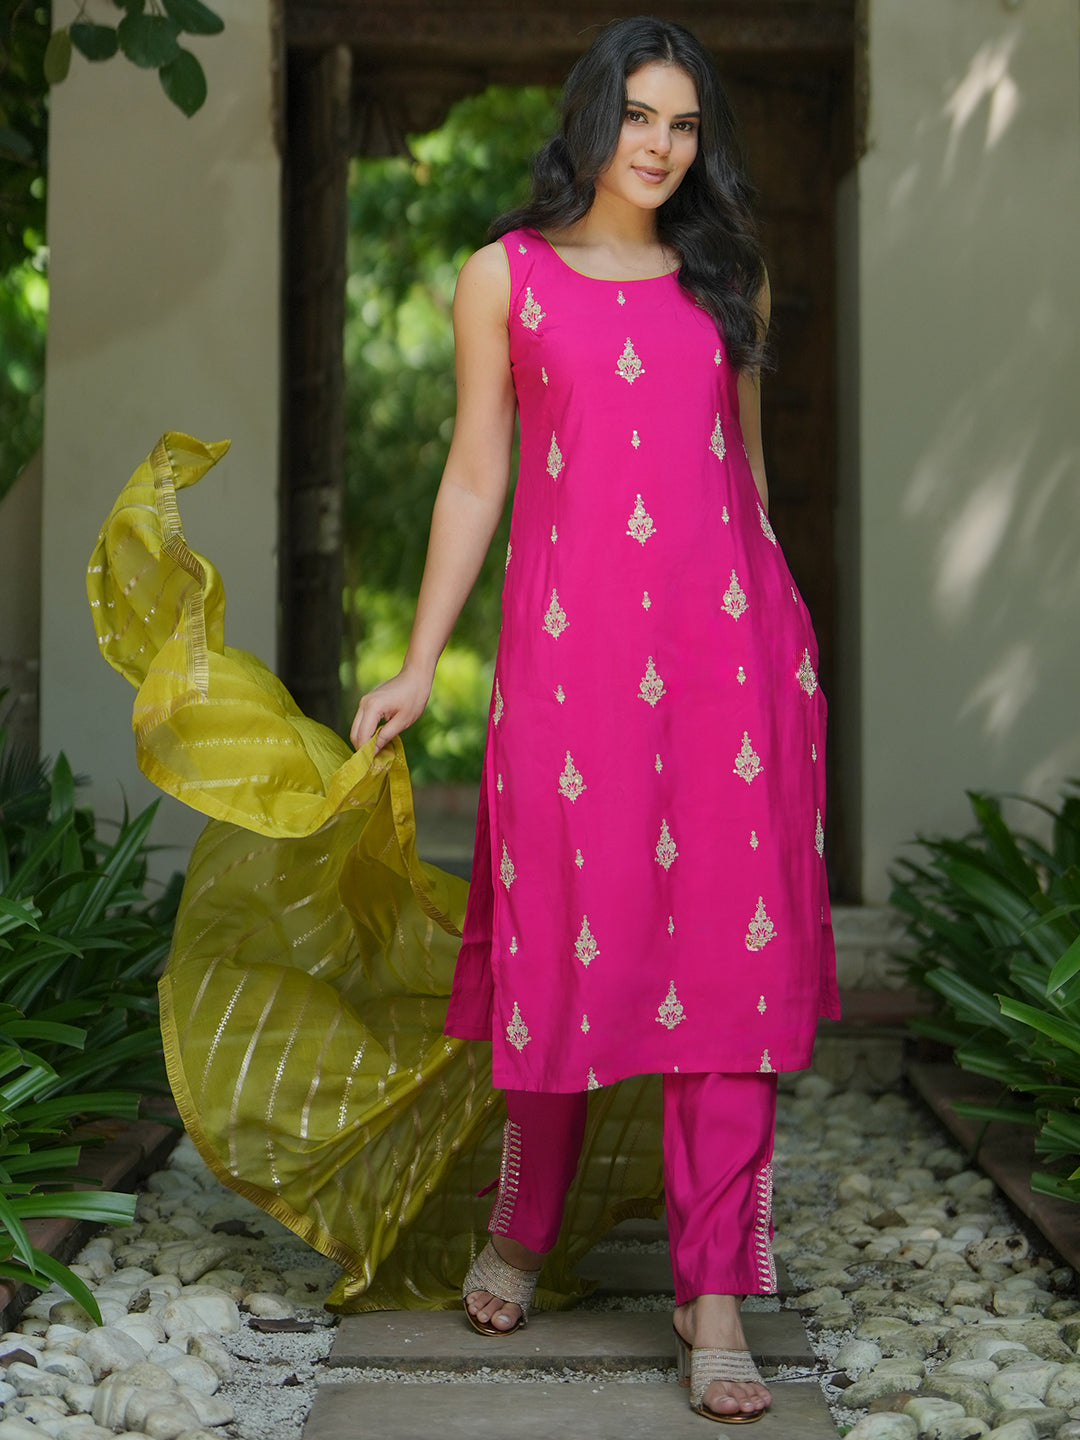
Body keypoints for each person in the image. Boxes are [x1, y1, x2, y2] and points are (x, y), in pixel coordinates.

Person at [350, 15, 839, 1425]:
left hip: (729, 660)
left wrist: (787, 635)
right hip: (573, 671)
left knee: (728, 963)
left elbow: (747, 479)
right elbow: (474, 476)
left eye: (684, 124)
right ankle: (524, 1225)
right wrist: (418, 661)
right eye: (637, 114)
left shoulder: (729, 276)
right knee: (571, 939)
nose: (659, 145)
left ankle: (714, 1296)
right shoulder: (503, 277)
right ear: (591, 117)